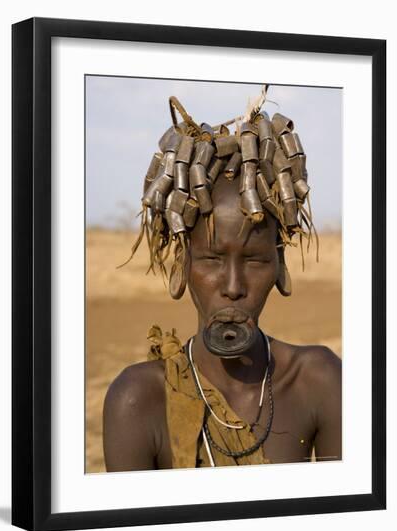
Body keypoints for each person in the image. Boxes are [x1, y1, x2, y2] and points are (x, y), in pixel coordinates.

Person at [102, 89, 341, 471]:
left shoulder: (319, 382)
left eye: (255, 260)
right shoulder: (140, 400)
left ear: (280, 268)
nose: (233, 286)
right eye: (212, 259)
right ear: (183, 265)